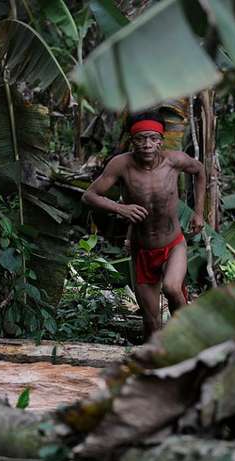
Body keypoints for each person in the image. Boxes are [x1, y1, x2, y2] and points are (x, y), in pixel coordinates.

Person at [82, 111, 206, 341]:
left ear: (161, 140)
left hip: (173, 244)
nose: (147, 145)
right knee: (151, 321)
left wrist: (199, 212)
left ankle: (187, 338)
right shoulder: (121, 165)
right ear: (132, 141)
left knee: (171, 288)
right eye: (140, 139)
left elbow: (199, 170)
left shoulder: (175, 160)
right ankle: (154, 362)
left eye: (152, 138)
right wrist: (120, 208)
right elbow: (89, 196)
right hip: (142, 251)